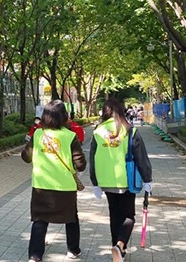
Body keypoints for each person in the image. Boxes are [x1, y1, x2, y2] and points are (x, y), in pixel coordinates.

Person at [21, 100, 87, 261]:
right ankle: (73, 250)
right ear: (64, 116)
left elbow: (26, 157)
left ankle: (35, 255)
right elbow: (81, 165)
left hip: (41, 186)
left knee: (40, 220)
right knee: (71, 218)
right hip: (65, 187)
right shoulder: (70, 136)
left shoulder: (37, 134)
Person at [90, 98, 152, 262]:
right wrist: (147, 179)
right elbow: (141, 157)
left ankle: (118, 251)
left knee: (114, 215)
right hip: (125, 180)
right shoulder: (129, 130)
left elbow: (93, 158)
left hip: (105, 180)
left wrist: (95, 182)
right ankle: (120, 244)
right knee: (128, 216)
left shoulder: (98, 131)